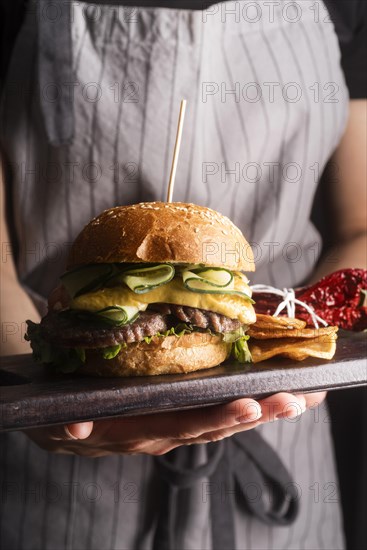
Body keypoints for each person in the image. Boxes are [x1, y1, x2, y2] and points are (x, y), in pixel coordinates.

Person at [0, 1, 365, 549]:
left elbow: (360, 223)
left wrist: (297, 338)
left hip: (281, 440)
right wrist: (32, 398)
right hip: (61, 488)